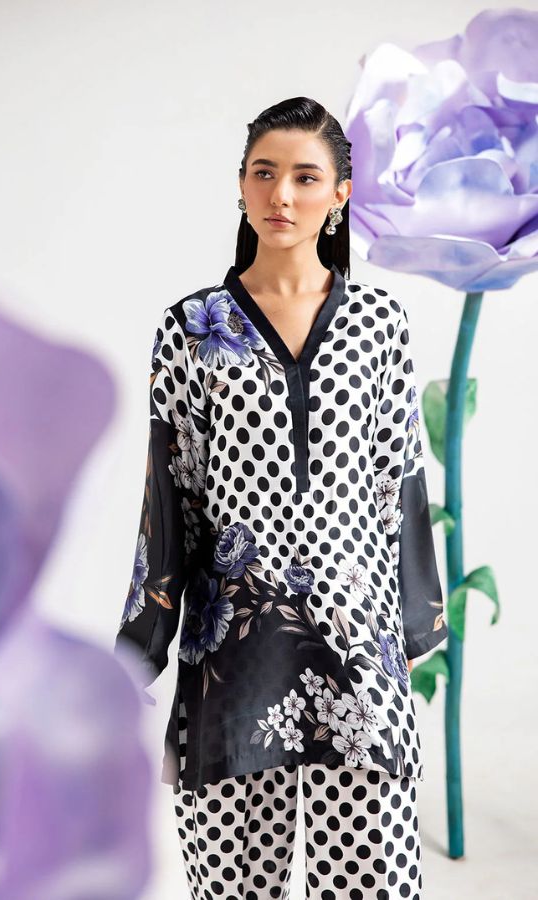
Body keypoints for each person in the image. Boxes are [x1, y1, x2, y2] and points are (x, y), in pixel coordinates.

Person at [115, 96, 447, 899]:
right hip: (232, 653)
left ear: (340, 194)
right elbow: (172, 490)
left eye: (305, 177)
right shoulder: (193, 327)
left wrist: (414, 615)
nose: (282, 195)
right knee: (232, 884)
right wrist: (144, 640)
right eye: (264, 174)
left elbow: (399, 473)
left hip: (358, 645)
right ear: (240, 186)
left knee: (371, 880)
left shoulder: (378, 322)